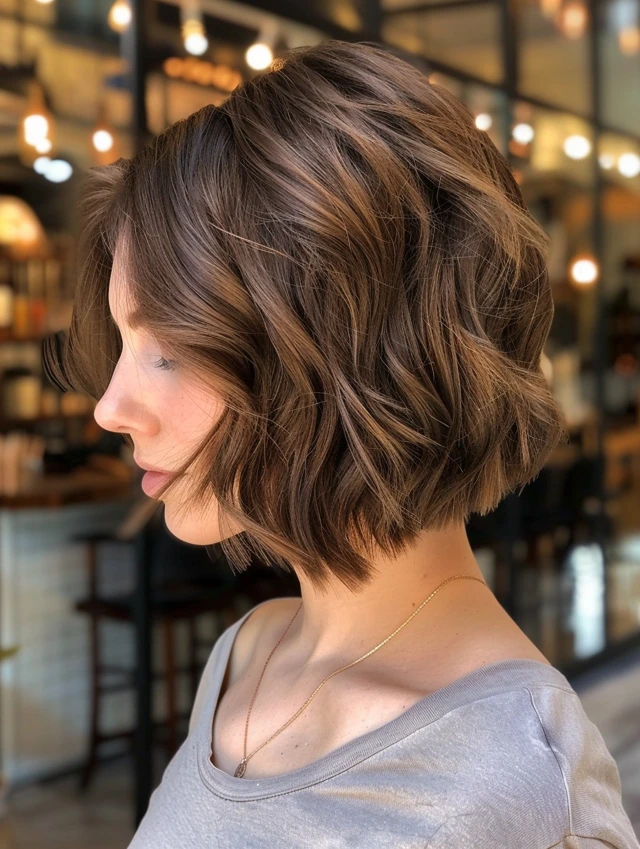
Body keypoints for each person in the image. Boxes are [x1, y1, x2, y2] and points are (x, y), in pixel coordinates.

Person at [44, 39, 640, 849]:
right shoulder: (247, 655)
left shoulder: (520, 784)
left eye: (170, 349)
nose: (110, 407)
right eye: (123, 344)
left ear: (343, 352)